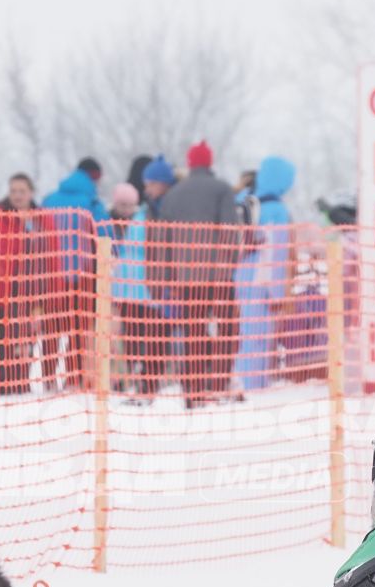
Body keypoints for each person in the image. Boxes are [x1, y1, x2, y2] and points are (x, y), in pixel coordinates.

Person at [153, 140, 243, 406]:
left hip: (187, 278)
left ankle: (193, 390)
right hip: (218, 275)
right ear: (210, 162)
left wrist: (166, 278)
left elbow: (163, 240)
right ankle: (219, 384)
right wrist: (230, 262)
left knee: (193, 332)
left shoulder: (173, 194)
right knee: (227, 329)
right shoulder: (222, 189)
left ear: (191, 163)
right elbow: (230, 229)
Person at [40, 161, 108, 391]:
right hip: (83, 273)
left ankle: (48, 377)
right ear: (94, 177)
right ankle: (73, 378)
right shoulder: (91, 203)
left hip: (52, 273)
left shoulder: (49, 200)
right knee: (79, 328)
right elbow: (105, 233)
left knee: (52, 327)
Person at [232, 156, 295, 394]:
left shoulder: (245, 201)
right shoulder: (277, 210)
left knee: (245, 331)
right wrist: (278, 292)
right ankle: (254, 386)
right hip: (263, 279)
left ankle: (242, 379)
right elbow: (276, 254)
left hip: (241, 274)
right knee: (260, 335)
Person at [0, 173, 49, 394]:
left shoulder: (40, 218)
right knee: (2, 337)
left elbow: (49, 250)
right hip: (3, 286)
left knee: (26, 337)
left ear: (31, 193)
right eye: (13, 190)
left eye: (22, 191)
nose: (17, 195)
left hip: (32, 288)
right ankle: (3, 383)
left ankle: (21, 380)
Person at [107, 182, 165, 399]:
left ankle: (135, 373)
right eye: (122, 204)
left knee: (141, 335)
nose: (126, 209)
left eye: (129, 205)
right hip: (124, 290)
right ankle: (126, 374)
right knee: (127, 335)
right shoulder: (111, 223)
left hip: (142, 291)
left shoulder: (139, 222)